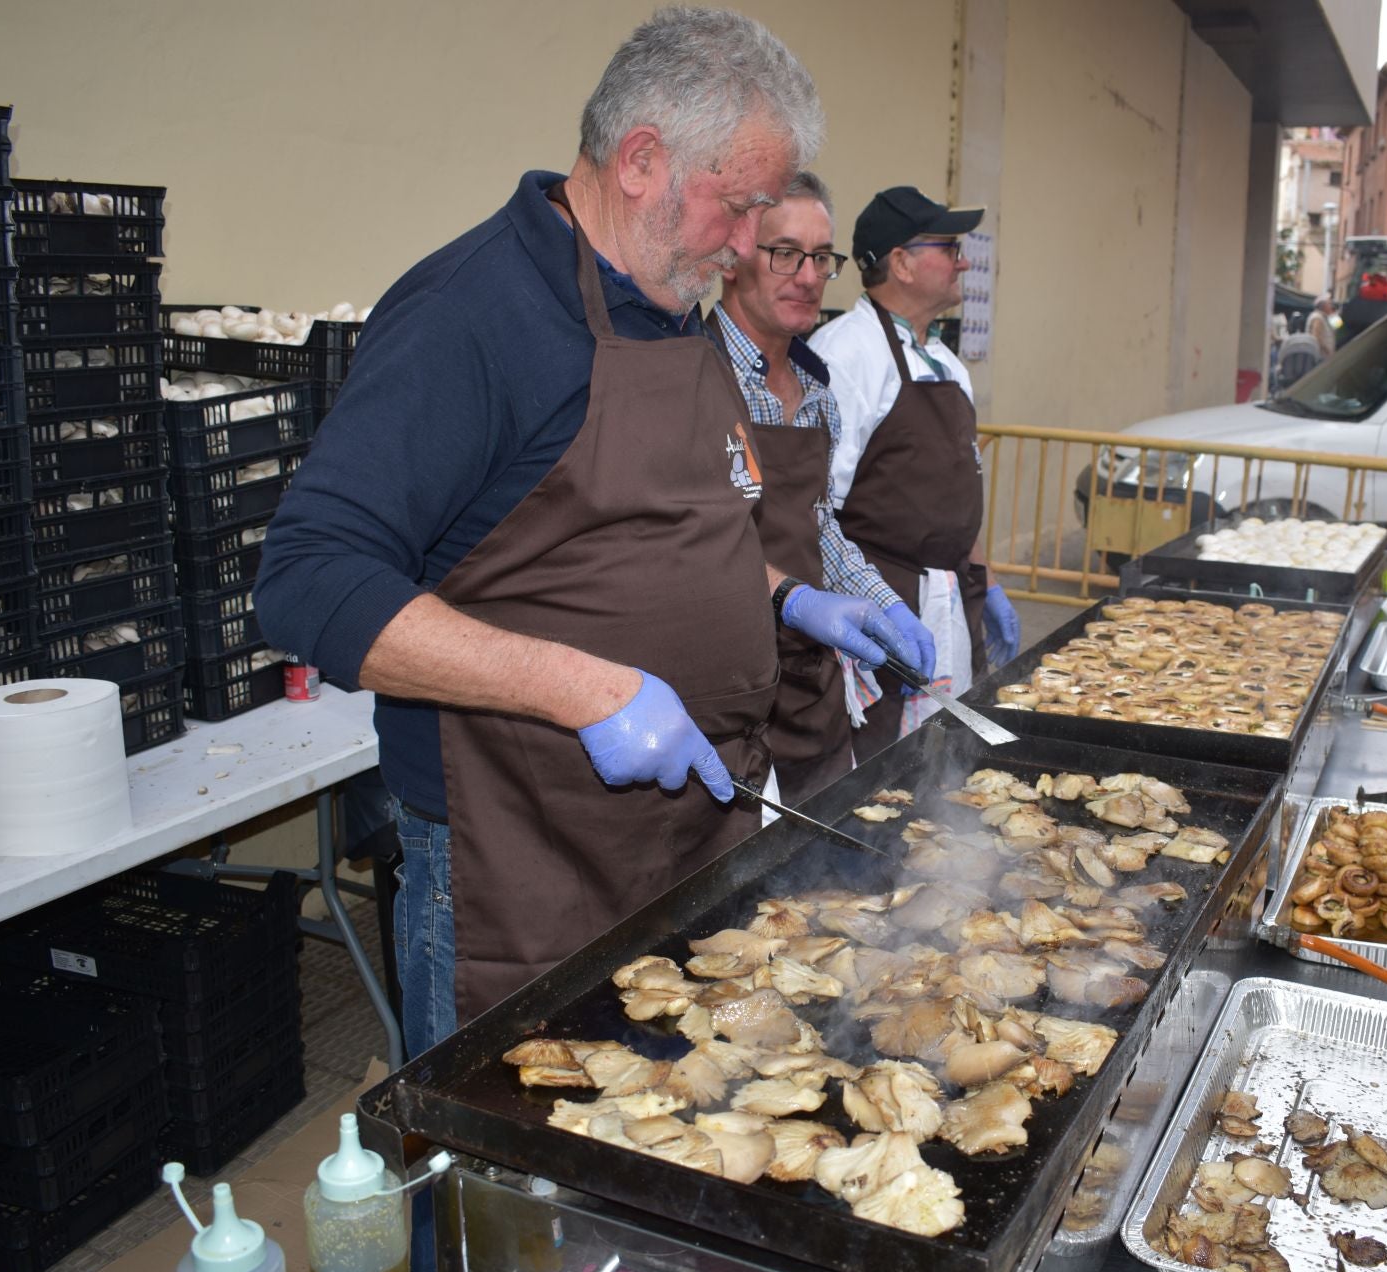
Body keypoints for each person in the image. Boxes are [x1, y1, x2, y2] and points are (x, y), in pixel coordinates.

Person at [254, 8, 923, 1059]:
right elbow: (306, 581)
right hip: (523, 868)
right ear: (643, 161)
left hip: (694, 840)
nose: (751, 246)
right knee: (512, 1197)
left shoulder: (673, 308)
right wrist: (587, 688)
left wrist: (791, 599)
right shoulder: (471, 315)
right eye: (742, 206)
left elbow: (651, 543)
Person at [707, 171, 936, 802]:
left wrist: (881, 599)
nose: (808, 276)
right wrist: (794, 598)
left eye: (821, 257)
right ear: (732, 258)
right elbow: (688, 545)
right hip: (725, 698)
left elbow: (818, 521)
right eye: (784, 253)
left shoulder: (817, 391)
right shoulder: (692, 379)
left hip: (812, 686)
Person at [808, 185, 1020, 750]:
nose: (963, 261)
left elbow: (959, 491)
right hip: (882, 616)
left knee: (946, 765)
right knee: (882, 775)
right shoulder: (846, 355)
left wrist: (988, 582)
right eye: (948, 247)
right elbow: (816, 508)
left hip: (952, 603)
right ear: (900, 262)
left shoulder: (948, 365)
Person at [1274, 314, 1323, 392]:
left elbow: (1280, 359)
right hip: (1308, 376)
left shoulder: (1288, 340)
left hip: (1289, 377)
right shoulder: (1312, 340)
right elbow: (1317, 357)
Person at [1306, 292, 1339, 360]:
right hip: (1320, 358)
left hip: (1326, 357)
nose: (1332, 306)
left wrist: (1332, 314)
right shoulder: (1317, 318)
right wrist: (1327, 350)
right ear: (1323, 306)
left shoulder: (1326, 317)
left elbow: (1339, 328)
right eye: (1329, 303)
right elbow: (1316, 338)